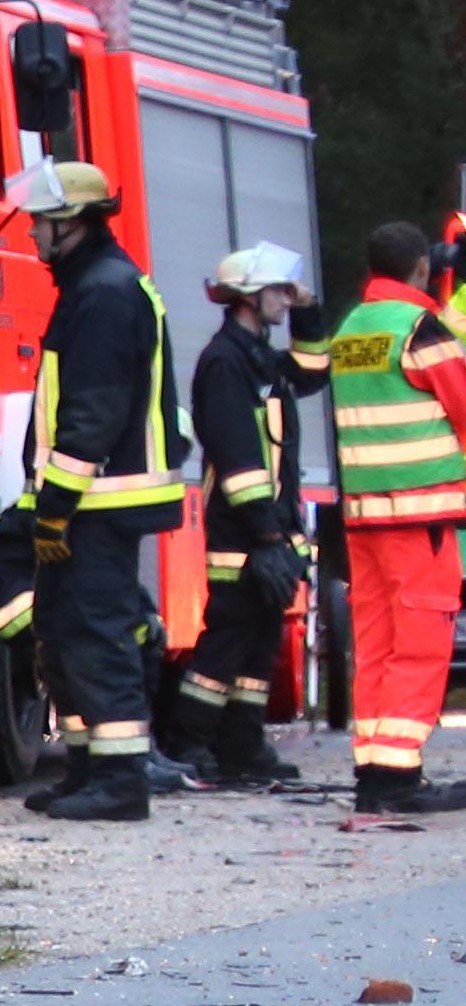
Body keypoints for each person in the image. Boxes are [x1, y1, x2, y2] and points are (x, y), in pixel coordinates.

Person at [7, 161, 179, 823]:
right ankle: (86, 768)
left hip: (97, 504)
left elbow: (93, 411)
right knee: (64, 636)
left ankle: (121, 779)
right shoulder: (94, 284)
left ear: (71, 224)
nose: (32, 234)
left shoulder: (103, 293)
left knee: (98, 637)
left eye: (40, 223)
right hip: (90, 501)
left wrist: (55, 506)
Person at [315, 218, 466, 818]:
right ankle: (398, 775)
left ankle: (375, 769)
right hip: (420, 516)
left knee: (376, 645)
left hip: (365, 520)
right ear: (423, 267)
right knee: (420, 644)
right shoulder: (420, 330)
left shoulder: (353, 327)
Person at [172, 244, 319, 790]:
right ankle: (187, 742)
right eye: (279, 290)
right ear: (251, 297)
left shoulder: (260, 356)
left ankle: (242, 745)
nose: (286, 298)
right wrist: (265, 533)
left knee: (260, 643)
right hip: (243, 532)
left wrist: (309, 310)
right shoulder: (225, 361)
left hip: (268, 528)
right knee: (227, 641)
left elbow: (313, 372)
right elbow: (237, 455)